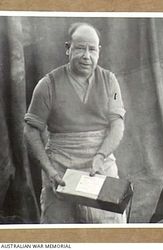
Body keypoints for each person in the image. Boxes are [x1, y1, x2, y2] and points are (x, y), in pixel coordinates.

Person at [24, 22, 126, 223]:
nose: (86, 56)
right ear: (67, 48)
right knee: (60, 228)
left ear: (99, 51)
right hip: (60, 167)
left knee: (109, 227)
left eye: (92, 49)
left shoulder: (110, 81)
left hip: (100, 163)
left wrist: (100, 155)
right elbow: (30, 131)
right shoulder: (47, 85)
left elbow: (117, 124)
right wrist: (50, 171)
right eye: (80, 48)